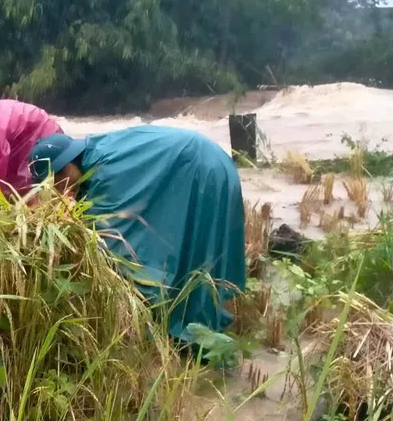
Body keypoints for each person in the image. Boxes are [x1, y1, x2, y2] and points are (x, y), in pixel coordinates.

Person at [27, 126, 246, 341]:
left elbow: (114, 244)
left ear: (68, 165)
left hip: (203, 169)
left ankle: (198, 332)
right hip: (199, 163)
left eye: (56, 181)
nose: (58, 190)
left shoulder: (104, 175)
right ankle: (191, 316)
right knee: (182, 237)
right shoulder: (92, 154)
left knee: (199, 245)